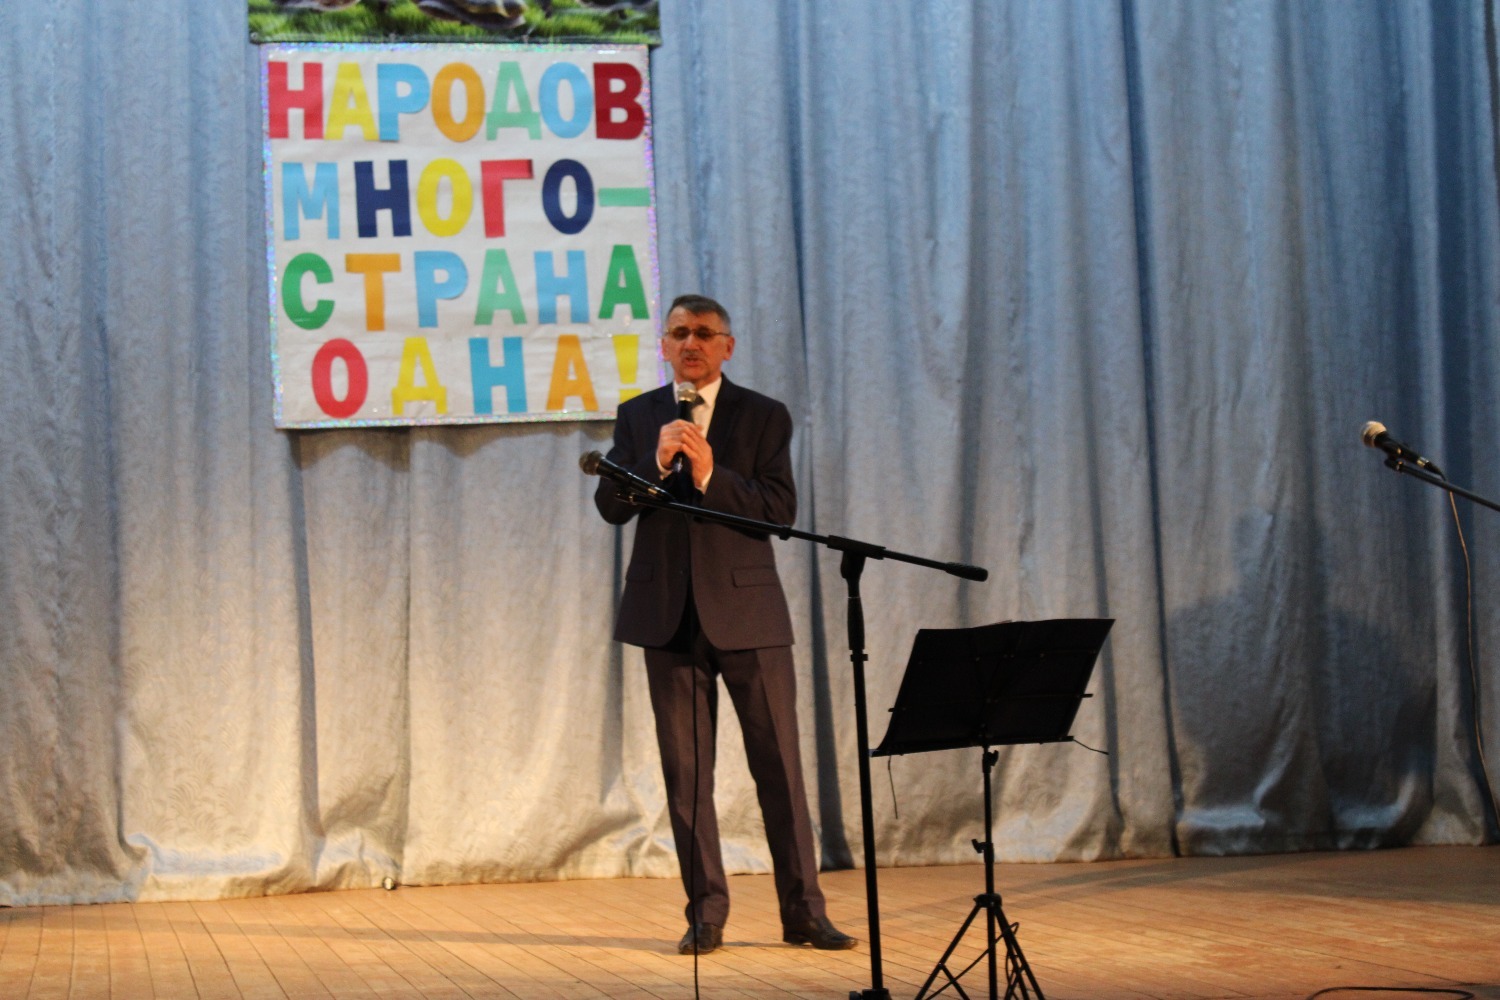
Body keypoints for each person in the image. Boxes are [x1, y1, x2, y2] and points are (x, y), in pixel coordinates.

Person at [594, 294, 857, 956]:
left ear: (727, 346)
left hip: (748, 615)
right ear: (664, 344)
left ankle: (804, 912)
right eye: (680, 332)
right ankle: (706, 913)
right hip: (667, 618)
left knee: (780, 770)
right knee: (686, 777)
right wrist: (654, 464)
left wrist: (711, 473)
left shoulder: (763, 415)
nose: (692, 343)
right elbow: (611, 505)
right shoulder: (638, 416)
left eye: (705, 334)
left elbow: (778, 511)